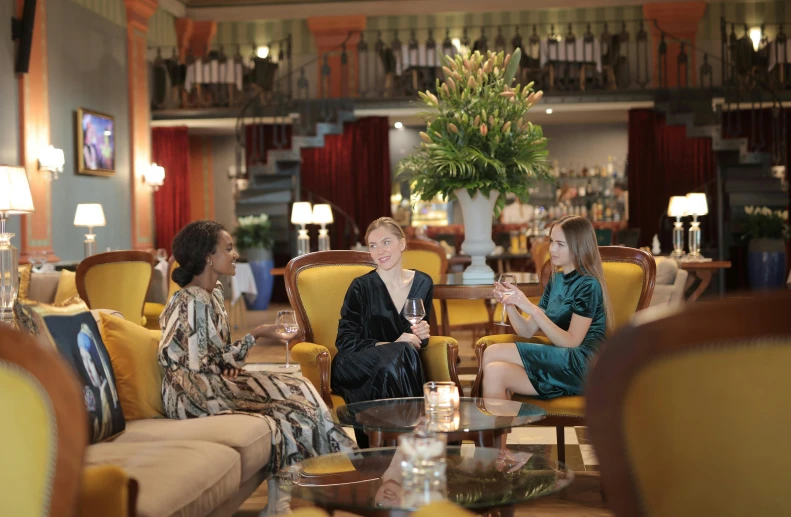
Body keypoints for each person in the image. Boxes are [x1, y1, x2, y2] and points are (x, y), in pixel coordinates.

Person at [158, 220, 356, 516]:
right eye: (228, 249)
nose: (235, 254)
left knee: (294, 396)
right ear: (209, 257)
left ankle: (282, 503)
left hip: (211, 382)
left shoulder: (213, 294)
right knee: (292, 393)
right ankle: (345, 470)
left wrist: (230, 365)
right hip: (191, 394)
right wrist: (258, 333)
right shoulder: (190, 300)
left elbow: (217, 356)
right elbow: (202, 365)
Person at [479, 215, 613, 400]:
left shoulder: (588, 285)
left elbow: (572, 342)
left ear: (578, 247)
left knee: (492, 352)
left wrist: (528, 306)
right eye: (551, 241)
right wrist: (510, 303)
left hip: (582, 363)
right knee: (495, 373)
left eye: (560, 244)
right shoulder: (556, 279)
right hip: (562, 359)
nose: (551, 249)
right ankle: (496, 429)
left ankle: (484, 422)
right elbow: (526, 331)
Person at [332, 217, 433, 447]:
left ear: (402, 243)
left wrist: (423, 334)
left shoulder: (423, 283)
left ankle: (392, 448)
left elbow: (418, 338)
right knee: (399, 353)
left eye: (386, 242)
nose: (379, 251)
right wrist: (392, 344)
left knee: (400, 356)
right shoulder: (361, 287)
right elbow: (344, 341)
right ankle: (418, 437)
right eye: (373, 245)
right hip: (355, 363)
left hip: (396, 366)